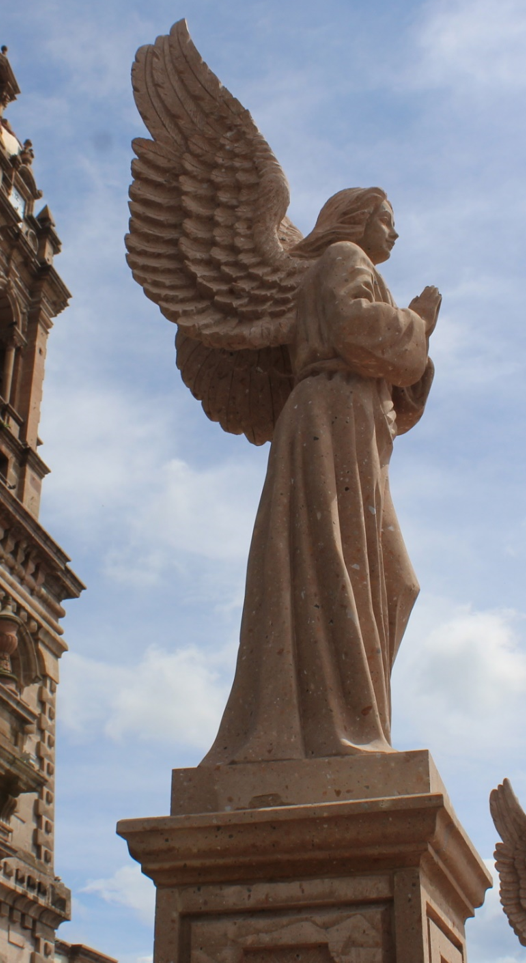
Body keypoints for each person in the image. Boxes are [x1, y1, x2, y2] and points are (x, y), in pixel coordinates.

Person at [202, 186, 441, 764]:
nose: (395, 232)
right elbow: (351, 327)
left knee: (383, 578)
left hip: (350, 417)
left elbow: (393, 383)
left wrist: (411, 343)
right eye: (387, 218)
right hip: (330, 414)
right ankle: (333, 731)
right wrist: (418, 323)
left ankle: (351, 719)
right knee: (332, 561)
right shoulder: (342, 259)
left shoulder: (343, 265)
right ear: (357, 221)